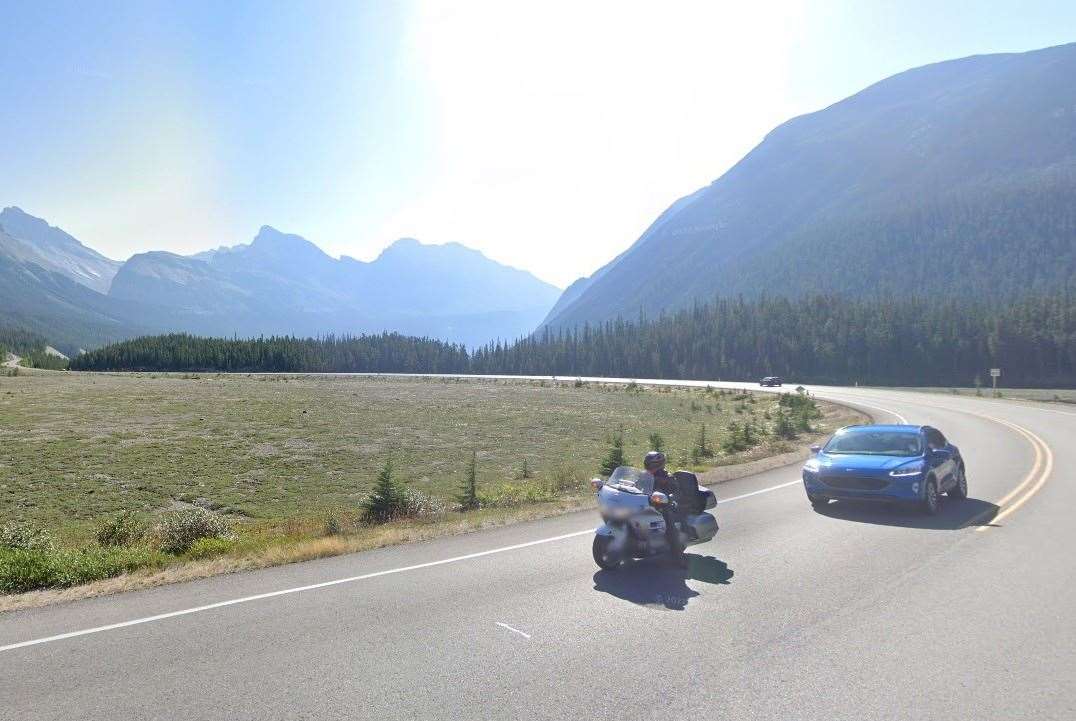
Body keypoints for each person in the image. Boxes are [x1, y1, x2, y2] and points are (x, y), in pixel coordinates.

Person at [643, 450, 688, 567]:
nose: (650, 467)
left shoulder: (667, 477)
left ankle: (679, 559)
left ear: (659, 465)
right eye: (649, 464)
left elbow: (677, 491)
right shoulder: (645, 476)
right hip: (647, 504)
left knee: (669, 526)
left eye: (653, 464)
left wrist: (669, 497)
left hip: (664, 506)